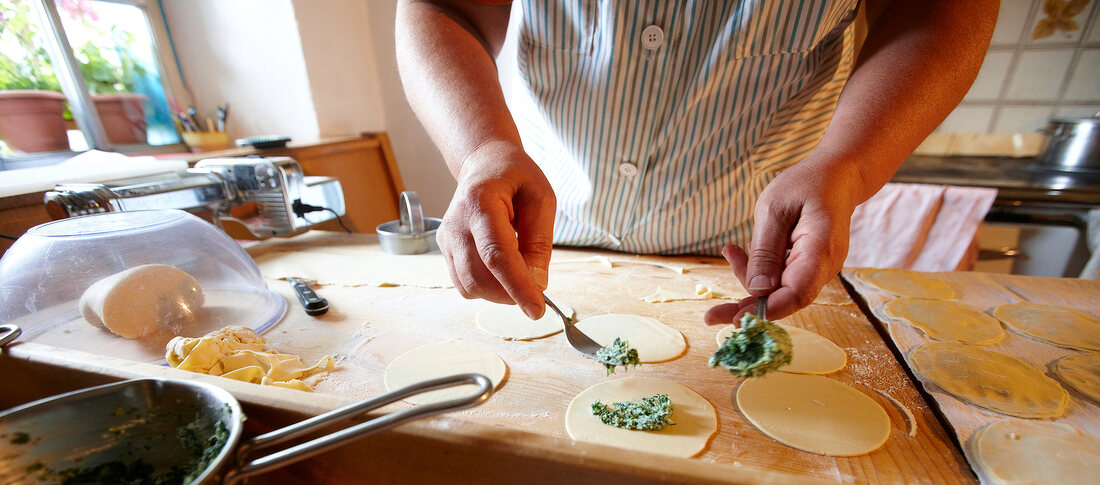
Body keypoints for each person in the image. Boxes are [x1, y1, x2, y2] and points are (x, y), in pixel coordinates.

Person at [395, 0, 997, 324]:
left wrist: (851, 164)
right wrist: (481, 150)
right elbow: (447, 6)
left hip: (743, 260)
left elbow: (940, 9)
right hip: (545, 246)